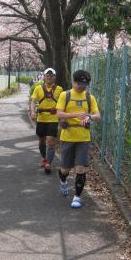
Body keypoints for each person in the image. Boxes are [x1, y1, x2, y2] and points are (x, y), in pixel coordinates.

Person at [56, 69, 101, 209]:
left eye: (85, 85)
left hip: (83, 138)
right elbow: (59, 114)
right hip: (68, 136)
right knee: (65, 169)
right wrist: (75, 114)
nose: (82, 87)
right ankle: (63, 181)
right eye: (80, 84)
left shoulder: (89, 97)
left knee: (80, 168)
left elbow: (98, 116)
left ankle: (77, 197)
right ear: (73, 82)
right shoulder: (65, 95)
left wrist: (88, 116)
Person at [30, 68, 63, 174]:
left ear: (55, 77)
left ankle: (48, 163)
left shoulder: (59, 89)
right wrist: (33, 112)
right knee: (42, 141)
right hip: (41, 118)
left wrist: (62, 116)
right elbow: (33, 101)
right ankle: (45, 157)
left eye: (51, 75)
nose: (49, 77)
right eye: (47, 76)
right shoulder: (38, 88)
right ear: (44, 76)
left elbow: (62, 104)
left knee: (50, 141)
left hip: (53, 118)